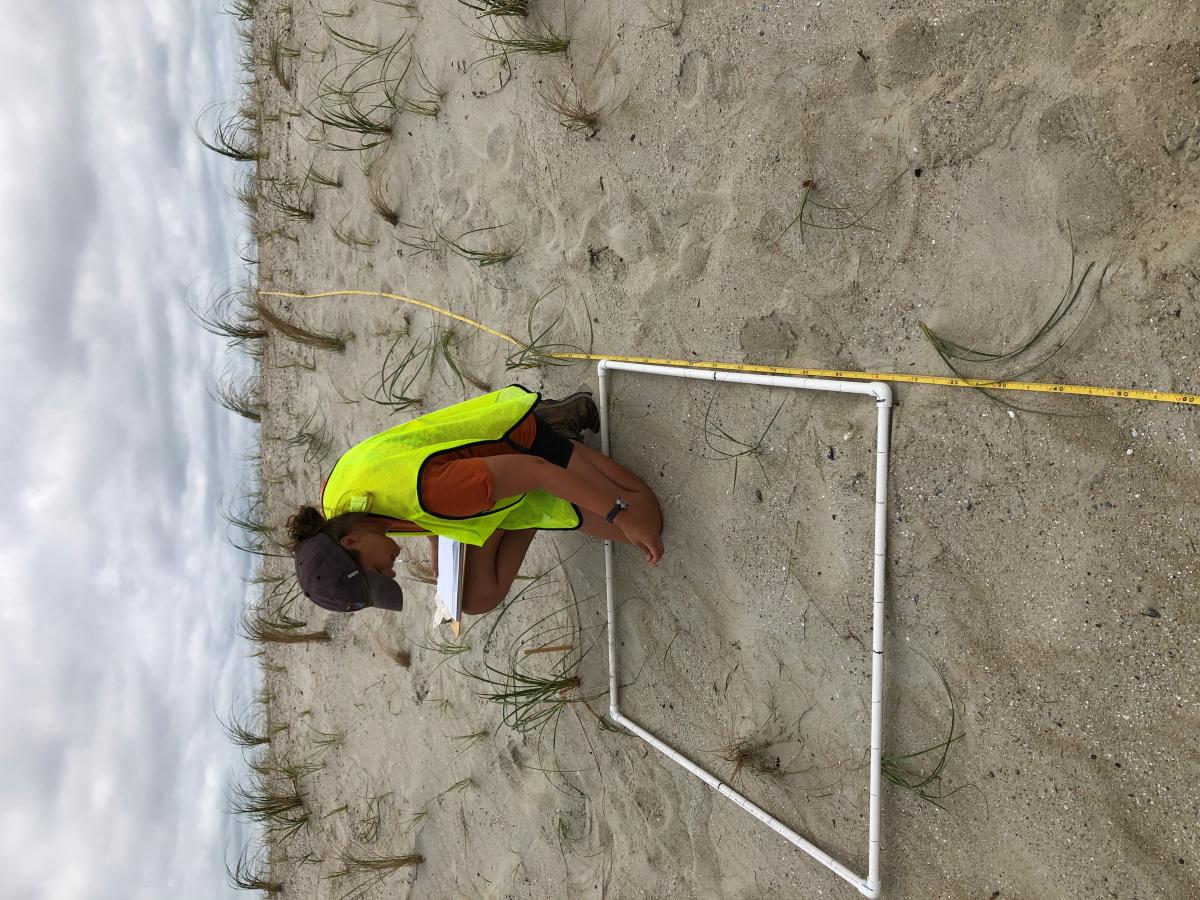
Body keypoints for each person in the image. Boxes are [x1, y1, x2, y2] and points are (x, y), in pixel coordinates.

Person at [287, 385, 664, 617]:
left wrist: (619, 515)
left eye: (378, 571)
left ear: (350, 542)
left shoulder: (434, 494)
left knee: (645, 518)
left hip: (525, 443)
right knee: (475, 596)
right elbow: (413, 494)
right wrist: (440, 546)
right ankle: (533, 505)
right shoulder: (337, 505)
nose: (391, 572)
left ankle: (556, 425)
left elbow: (535, 470)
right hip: (484, 477)